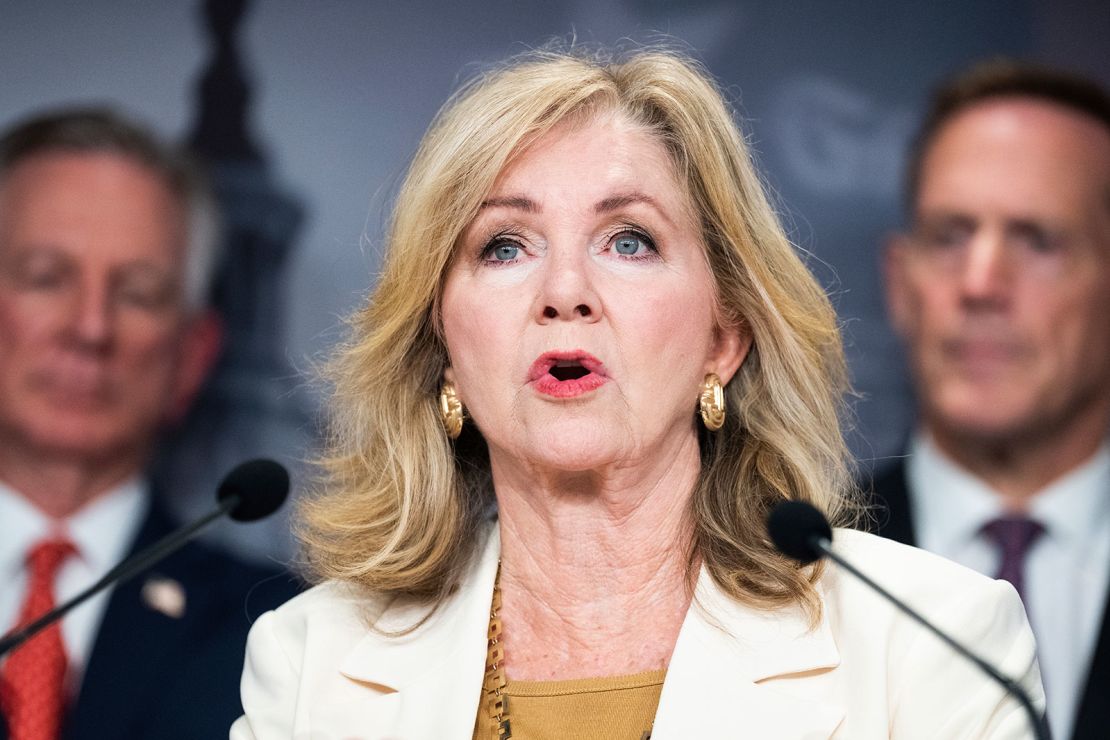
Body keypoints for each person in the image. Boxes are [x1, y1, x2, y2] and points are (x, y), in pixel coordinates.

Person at [235, 48, 1042, 739]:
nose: (564, 291)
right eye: (505, 245)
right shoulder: (313, 663)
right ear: (443, 347)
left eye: (630, 240)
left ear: (724, 340)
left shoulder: (930, 644)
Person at [0, 108, 298, 740]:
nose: (91, 329)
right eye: (46, 278)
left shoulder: (281, 633)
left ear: (193, 355)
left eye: (137, 293)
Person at [875, 60, 1110, 740]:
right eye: (950, 236)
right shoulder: (791, 567)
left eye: (1037, 240)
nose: (980, 283)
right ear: (900, 283)